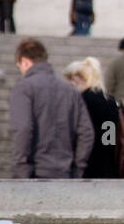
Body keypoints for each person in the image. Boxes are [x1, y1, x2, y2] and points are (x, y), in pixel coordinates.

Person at [9, 38, 94, 179]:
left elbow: (23, 128)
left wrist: (21, 168)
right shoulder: (71, 91)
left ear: (25, 62)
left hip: (35, 172)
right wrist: (77, 168)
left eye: (20, 67)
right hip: (64, 172)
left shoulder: (23, 89)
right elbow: (86, 132)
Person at [61, 57, 124, 178]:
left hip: (87, 170)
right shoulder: (110, 102)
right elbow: (122, 136)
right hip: (109, 169)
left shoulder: (82, 101)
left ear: (77, 80)